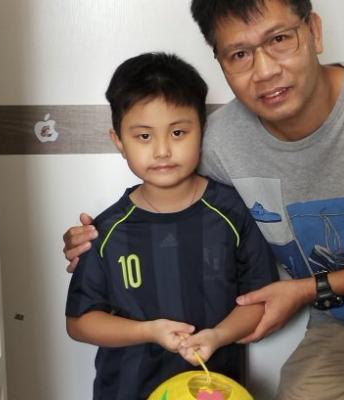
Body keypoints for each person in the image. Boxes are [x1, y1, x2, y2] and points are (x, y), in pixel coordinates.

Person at [63, 1, 344, 399]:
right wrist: (88, 240)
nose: (264, 70)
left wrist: (306, 289)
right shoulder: (218, 142)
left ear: (315, 31)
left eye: (279, 39)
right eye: (240, 54)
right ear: (220, 62)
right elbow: (167, 202)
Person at [64, 52, 278, 400]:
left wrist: (219, 336)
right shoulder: (106, 230)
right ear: (119, 141)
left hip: (213, 388)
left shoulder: (233, 213)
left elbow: (259, 300)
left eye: (178, 132)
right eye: (144, 136)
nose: (162, 150)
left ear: (202, 131)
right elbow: (79, 322)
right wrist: (149, 331)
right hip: (125, 390)